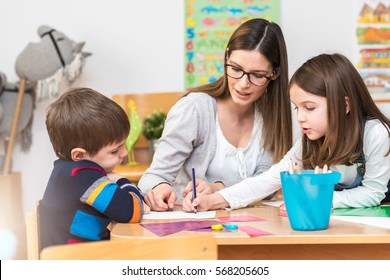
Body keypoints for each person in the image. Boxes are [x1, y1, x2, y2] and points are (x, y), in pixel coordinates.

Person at [183, 53, 390, 211]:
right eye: (296, 107)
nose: (300, 117)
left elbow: (373, 194)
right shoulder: (311, 139)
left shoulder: (375, 134)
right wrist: (212, 201)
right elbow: (269, 179)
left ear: (344, 105)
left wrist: (318, 200)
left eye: (309, 107)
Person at [138, 18, 293, 211]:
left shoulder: (270, 116)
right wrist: (159, 187)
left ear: (275, 73)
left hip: (246, 227)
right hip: (192, 227)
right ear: (226, 58)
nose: (243, 84)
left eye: (258, 75)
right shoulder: (195, 110)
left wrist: (217, 188)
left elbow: (267, 184)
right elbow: (153, 178)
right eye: (236, 69)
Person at [40, 87, 150, 250]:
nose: (125, 153)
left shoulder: (66, 171)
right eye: (115, 150)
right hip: (75, 261)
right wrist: (119, 179)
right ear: (79, 156)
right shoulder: (82, 174)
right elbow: (133, 210)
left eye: (124, 145)